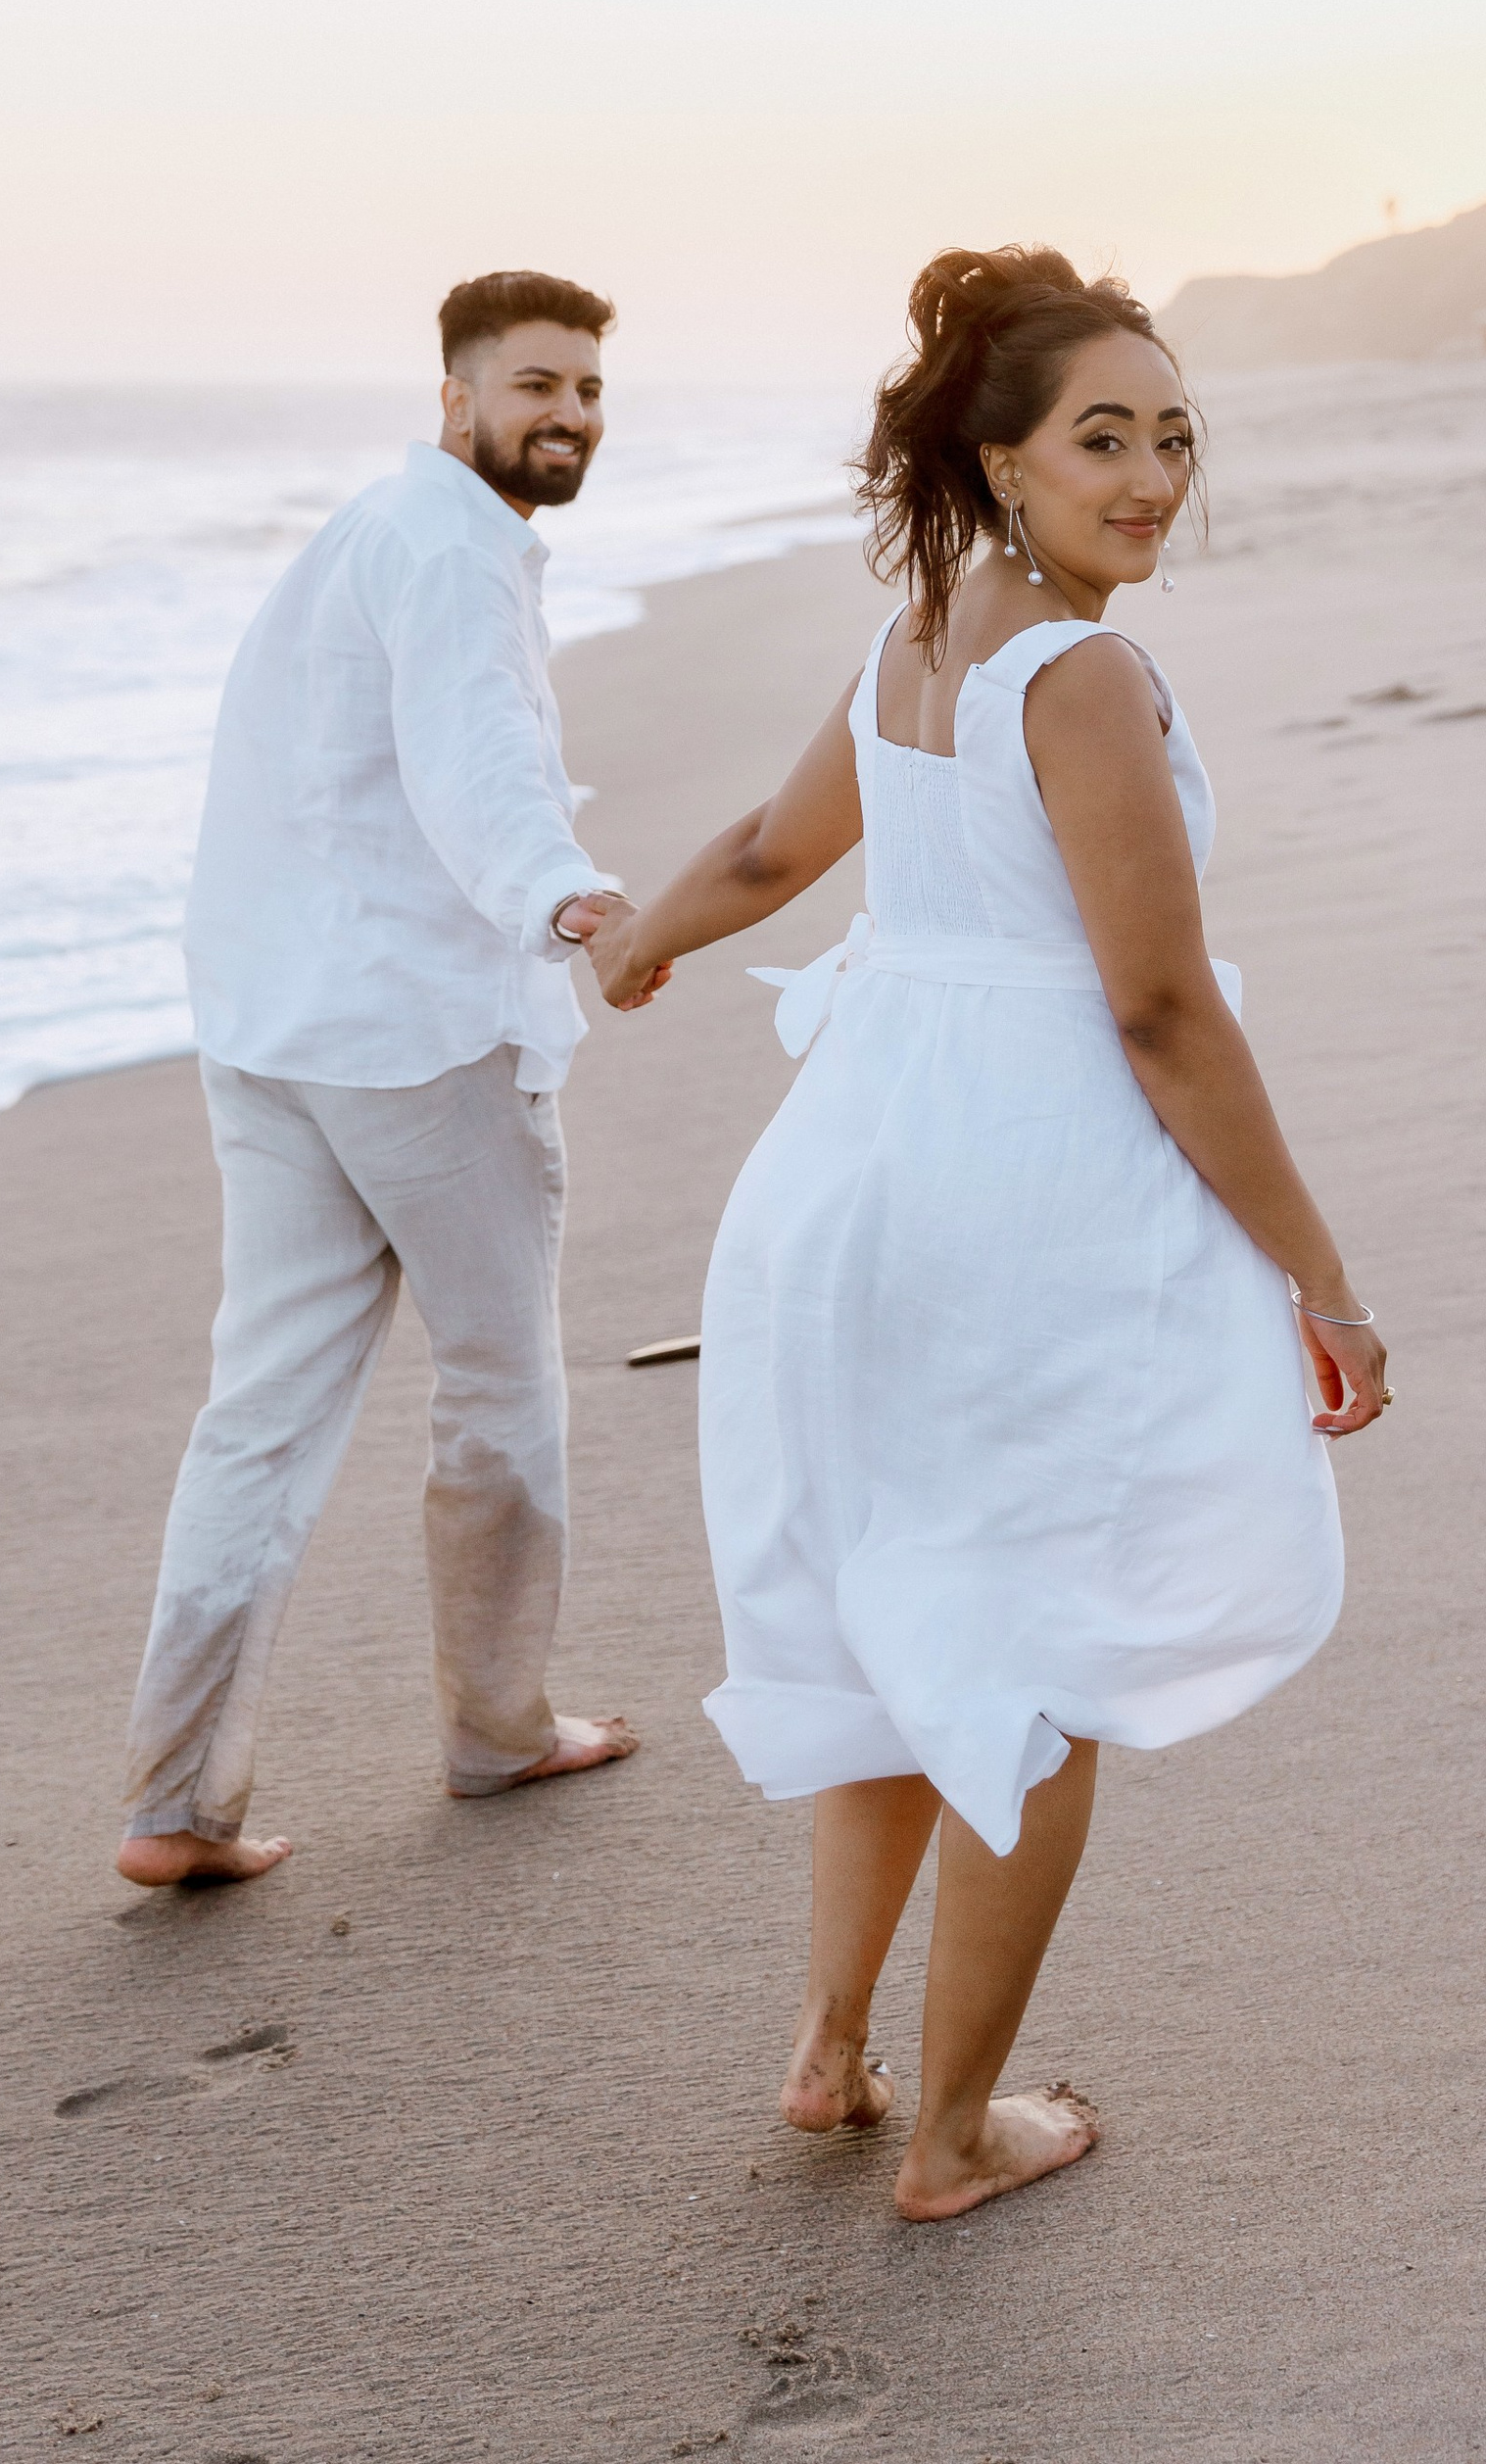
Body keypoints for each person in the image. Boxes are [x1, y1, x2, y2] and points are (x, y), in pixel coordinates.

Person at [594, 245, 1387, 2218]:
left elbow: (771, 850)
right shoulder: (1082, 673)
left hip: (845, 1182)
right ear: (999, 456)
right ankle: (950, 2136)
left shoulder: (918, 636)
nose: (1152, 478)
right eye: (1102, 438)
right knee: (1032, 1647)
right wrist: (1320, 1271)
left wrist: (639, 942)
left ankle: (830, 2050)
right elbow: (1160, 1009)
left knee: (894, 1612)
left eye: (1175, 436)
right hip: (1014, 1197)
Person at [116, 269, 648, 1889]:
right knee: (501, 1383)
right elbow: (470, 753)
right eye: (535, 385)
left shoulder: (370, 531)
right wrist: (566, 894)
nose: (568, 414)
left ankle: (172, 1802)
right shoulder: (451, 549)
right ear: (456, 398)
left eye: (586, 389)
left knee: (262, 1411)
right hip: (418, 1039)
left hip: (274, 1024)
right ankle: (498, 1727)